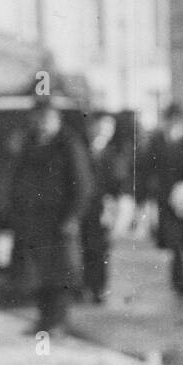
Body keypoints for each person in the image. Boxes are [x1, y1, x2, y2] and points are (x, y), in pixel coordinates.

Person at [10, 95, 92, 336]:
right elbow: (19, 179)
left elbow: (83, 184)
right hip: (35, 221)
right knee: (40, 273)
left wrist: (72, 217)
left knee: (62, 273)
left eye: (47, 118)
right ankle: (44, 321)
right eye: (38, 118)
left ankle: (58, 322)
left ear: (57, 119)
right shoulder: (30, 144)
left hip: (60, 220)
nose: (42, 123)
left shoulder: (69, 144)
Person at [142, 103, 183, 295]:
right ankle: (180, 281)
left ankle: (180, 274)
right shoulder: (157, 141)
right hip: (166, 199)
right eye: (171, 120)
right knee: (175, 241)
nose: (174, 124)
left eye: (177, 120)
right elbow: (146, 168)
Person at [81, 111, 123, 303]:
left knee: (101, 249)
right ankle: (84, 286)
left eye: (109, 128)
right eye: (102, 126)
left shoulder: (112, 154)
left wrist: (113, 205)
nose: (105, 131)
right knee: (83, 247)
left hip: (104, 207)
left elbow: (118, 183)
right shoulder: (81, 149)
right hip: (83, 207)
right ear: (92, 127)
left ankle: (99, 288)